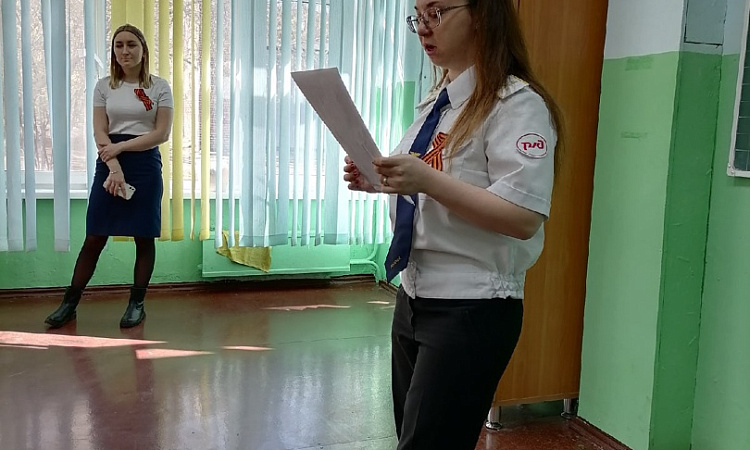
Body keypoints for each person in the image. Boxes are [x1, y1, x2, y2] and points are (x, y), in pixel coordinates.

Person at [343, 1, 564, 448]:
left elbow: (522, 216)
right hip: (413, 295)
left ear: (482, 15)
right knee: (415, 436)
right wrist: (383, 183)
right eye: (418, 16)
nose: (424, 28)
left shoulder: (516, 105)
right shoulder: (437, 103)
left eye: (436, 13)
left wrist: (426, 180)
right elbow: (441, 189)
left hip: (471, 305)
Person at [45, 24, 173, 329]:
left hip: (144, 164)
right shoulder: (104, 86)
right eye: (119, 45)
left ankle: (136, 305)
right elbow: (100, 130)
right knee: (95, 235)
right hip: (108, 161)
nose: (124, 51)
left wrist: (122, 147)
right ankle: (69, 304)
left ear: (143, 49)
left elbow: (161, 133)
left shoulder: (159, 87)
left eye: (131, 44)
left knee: (144, 237)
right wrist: (114, 165)